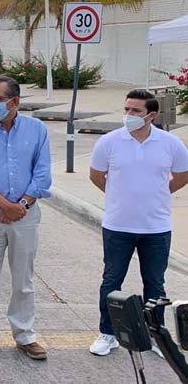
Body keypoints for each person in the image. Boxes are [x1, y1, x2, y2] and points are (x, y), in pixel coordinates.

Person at [88, 89, 188, 357]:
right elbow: (97, 175)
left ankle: (155, 335)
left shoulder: (170, 143)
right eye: (127, 109)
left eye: (136, 111)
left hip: (155, 228)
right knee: (112, 281)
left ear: (151, 115)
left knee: (155, 284)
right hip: (118, 226)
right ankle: (107, 333)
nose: (129, 115)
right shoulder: (109, 142)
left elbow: (182, 174)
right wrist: (119, 195)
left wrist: (159, 192)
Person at [0, 76, 51, 360]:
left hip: (25, 215)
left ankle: (25, 335)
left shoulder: (37, 129)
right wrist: (5, 205)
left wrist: (22, 205)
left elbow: (42, 173)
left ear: (14, 102)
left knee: (23, 279)